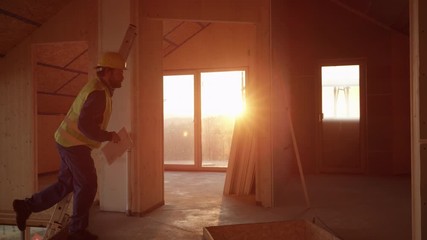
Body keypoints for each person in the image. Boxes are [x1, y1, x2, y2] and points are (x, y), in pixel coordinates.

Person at [12, 52, 126, 240]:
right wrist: (109, 136)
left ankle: (27, 206)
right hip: (74, 144)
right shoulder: (98, 93)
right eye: (120, 72)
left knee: (66, 184)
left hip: (67, 140)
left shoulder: (99, 88)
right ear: (108, 71)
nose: (122, 76)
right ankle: (77, 231)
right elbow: (84, 126)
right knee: (88, 185)